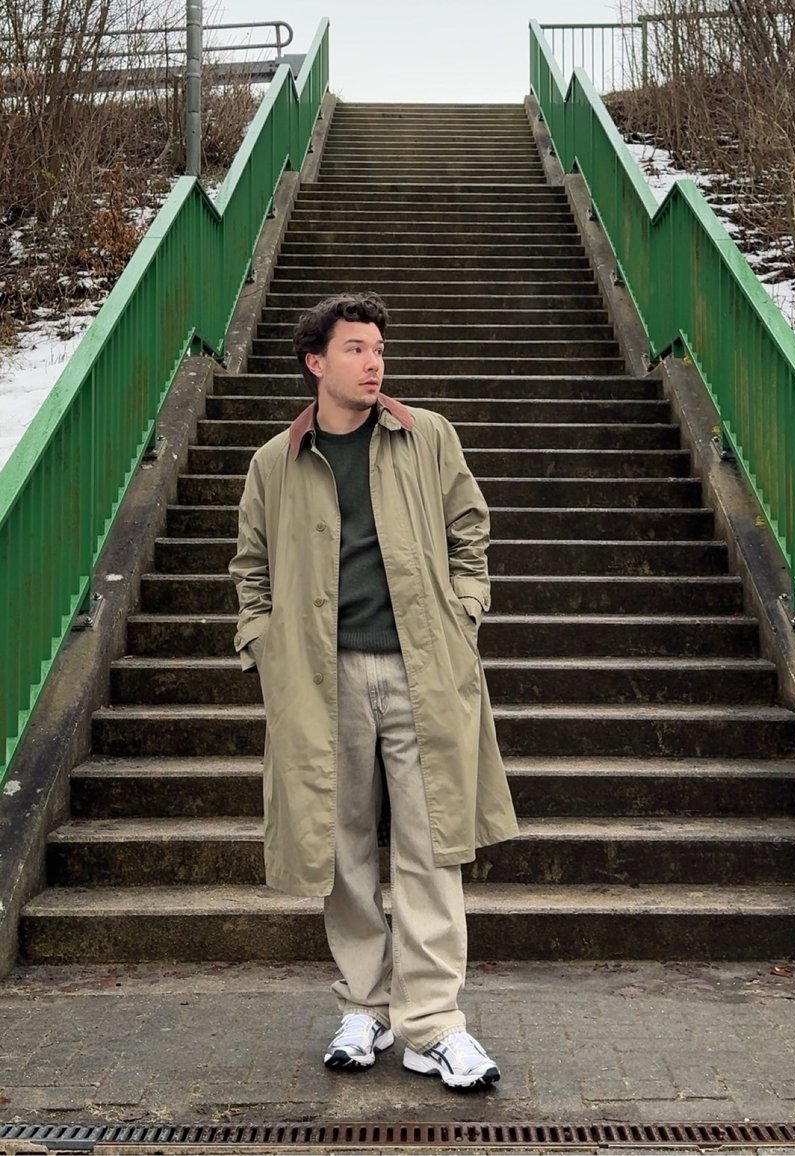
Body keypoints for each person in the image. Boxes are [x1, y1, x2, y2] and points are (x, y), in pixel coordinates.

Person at [229, 291, 518, 1090]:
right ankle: (362, 1007)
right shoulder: (271, 463)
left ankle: (432, 1026)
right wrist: (262, 646)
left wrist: (466, 609)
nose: (374, 362)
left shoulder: (426, 437)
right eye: (355, 349)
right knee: (343, 847)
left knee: (431, 850)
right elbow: (249, 569)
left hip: (421, 670)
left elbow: (471, 527)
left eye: (378, 349)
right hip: (323, 682)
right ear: (316, 363)